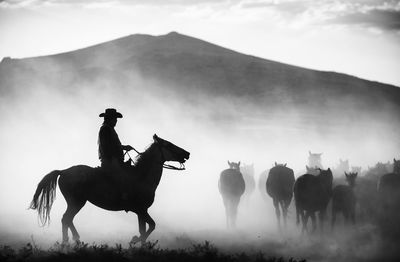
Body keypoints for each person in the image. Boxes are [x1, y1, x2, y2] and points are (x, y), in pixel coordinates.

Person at [98, 108, 133, 205]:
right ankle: (123, 197)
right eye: (115, 119)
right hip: (110, 160)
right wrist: (115, 157)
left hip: (112, 159)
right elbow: (107, 146)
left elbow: (112, 145)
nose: (116, 121)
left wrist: (123, 147)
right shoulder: (106, 129)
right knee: (123, 175)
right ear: (110, 119)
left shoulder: (109, 129)